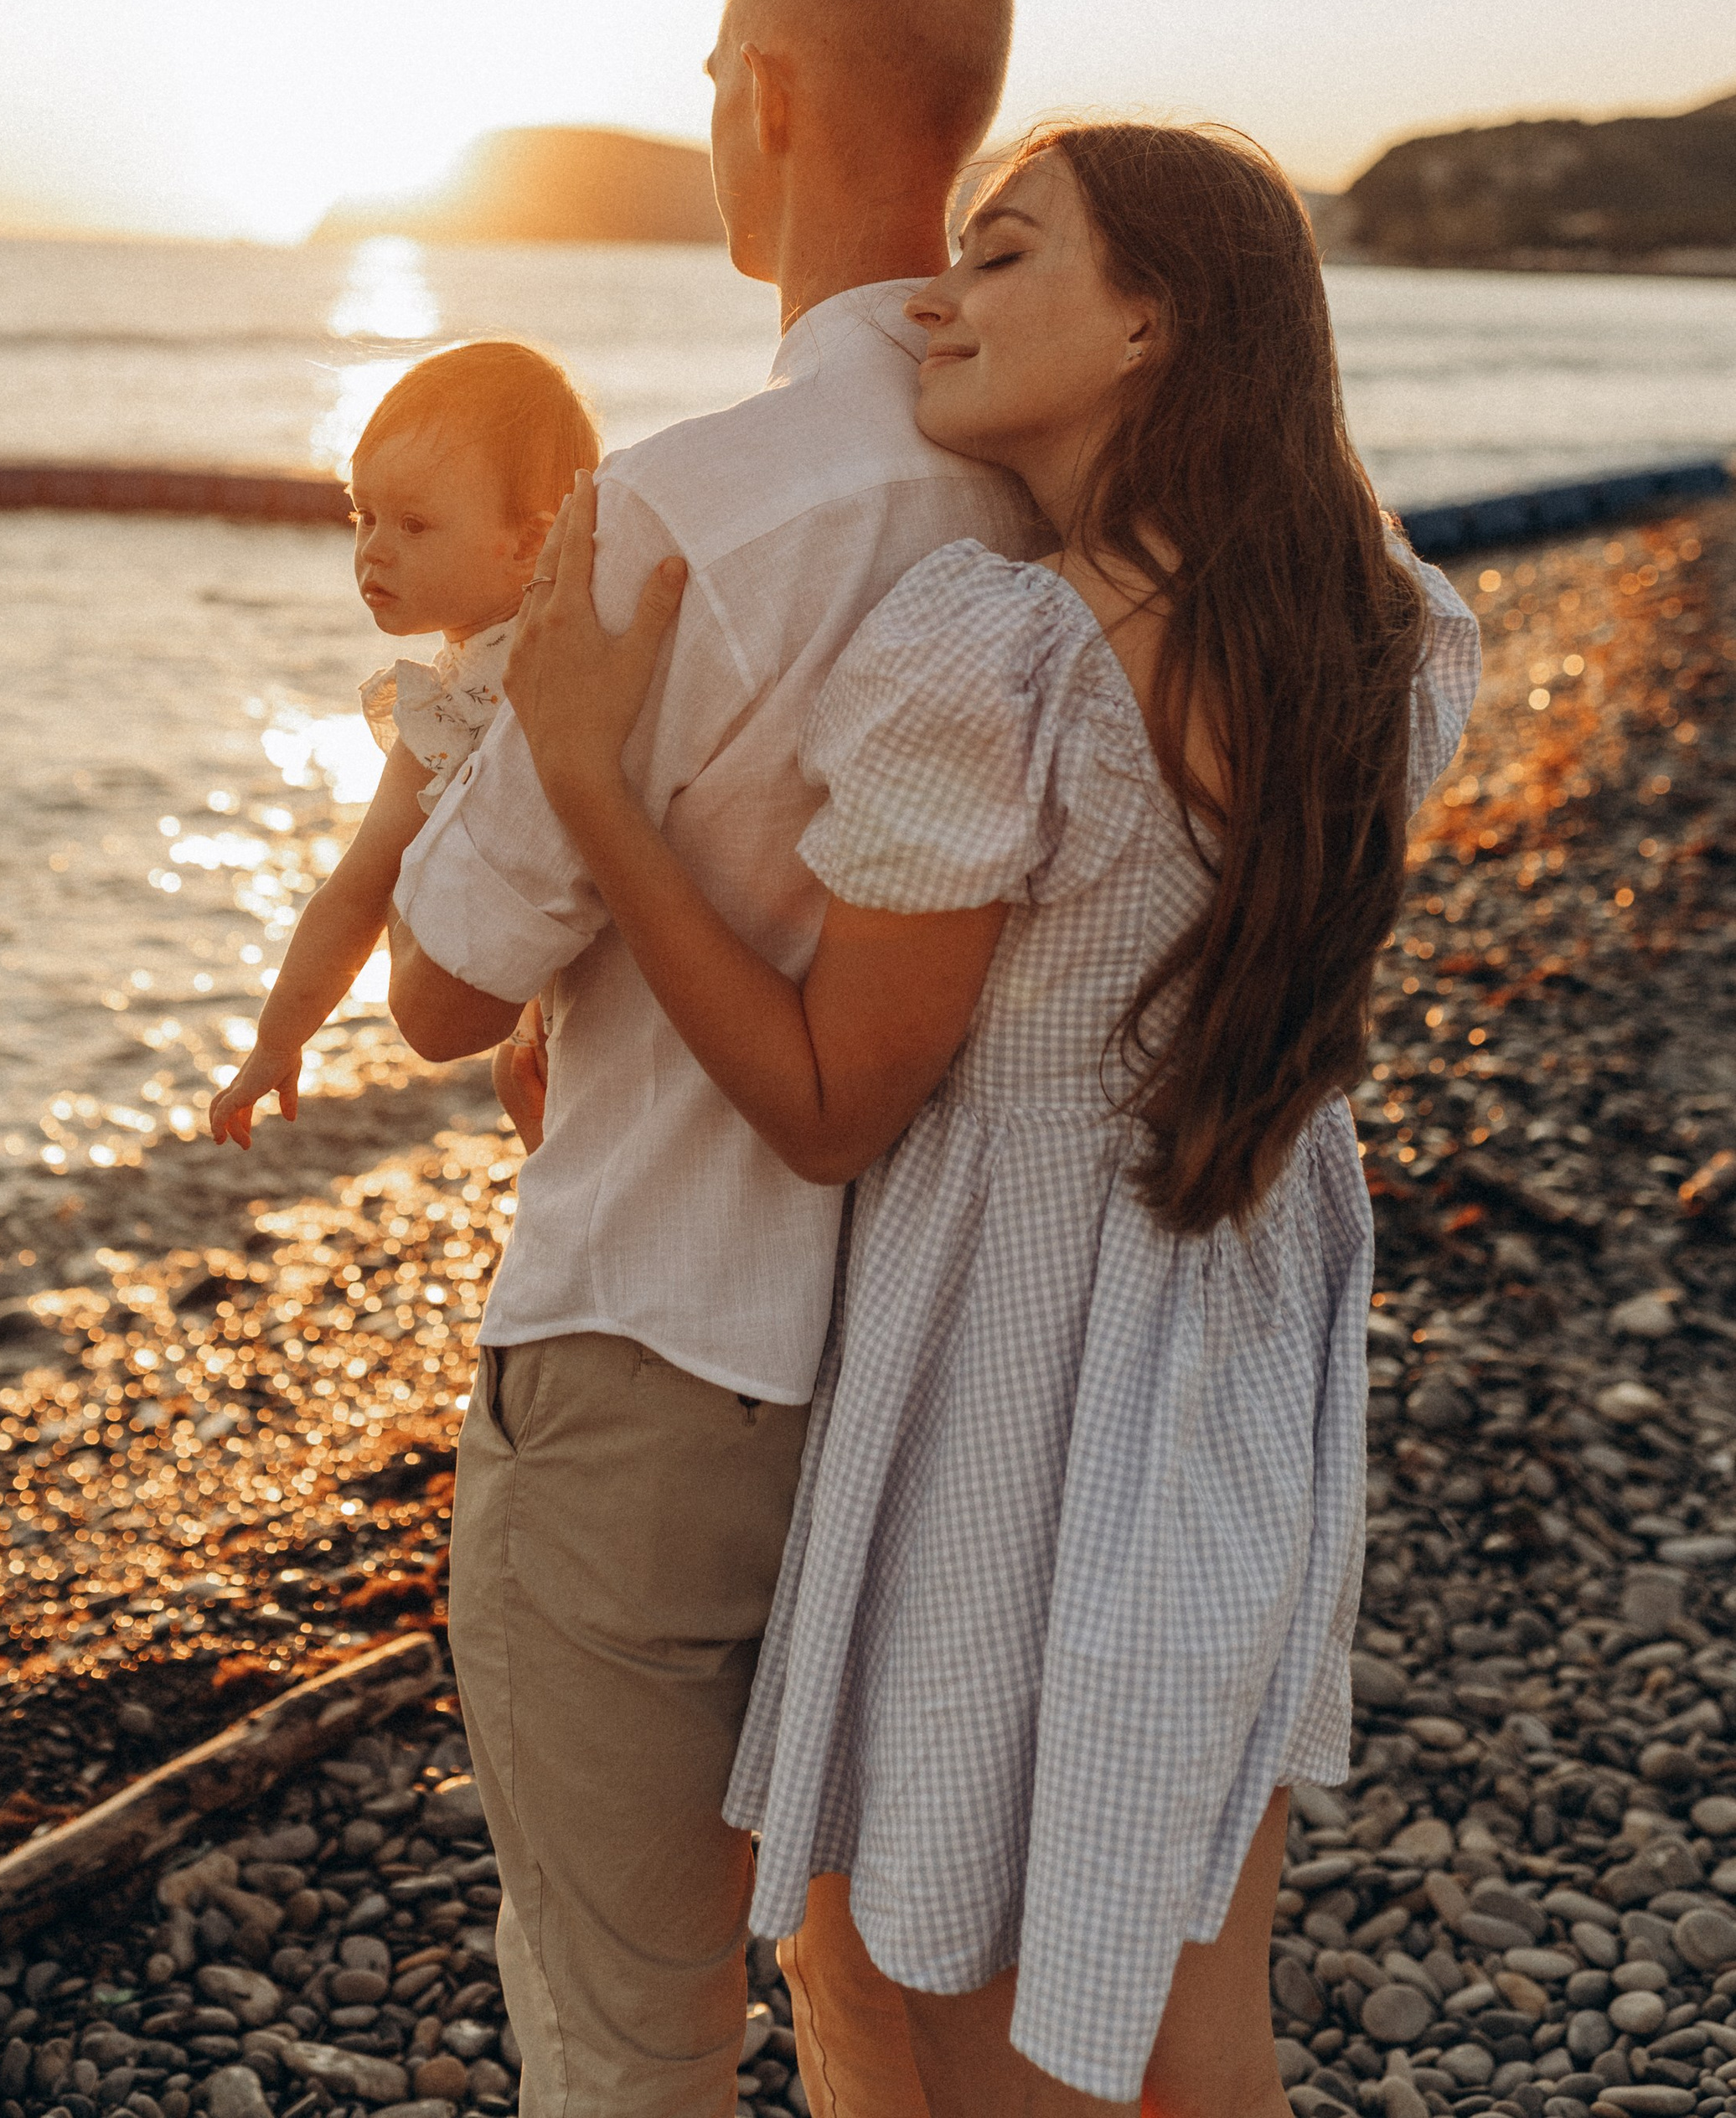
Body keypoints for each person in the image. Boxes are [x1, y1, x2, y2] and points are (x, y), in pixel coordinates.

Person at [500, 120, 1482, 2118]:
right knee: (1185, 1994)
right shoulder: (1374, 629)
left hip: (1020, 1353)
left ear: (1148, 319)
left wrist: (591, 789)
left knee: (970, 2005)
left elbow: (826, 1099)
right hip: (1237, 1337)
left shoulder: (1002, 650)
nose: (934, 298)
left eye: (1003, 253)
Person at [388, 0, 1032, 2118]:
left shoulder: (679, 513)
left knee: (628, 2037)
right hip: (953, 1386)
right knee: (888, 2017)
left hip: (657, 1359)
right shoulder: (1057, 490)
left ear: (763, 98)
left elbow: (450, 987)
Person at [209, 340, 596, 1155]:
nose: (373, 549)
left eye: (414, 523)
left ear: (528, 542)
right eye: (364, 514)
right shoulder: (591, 632)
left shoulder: (461, 703)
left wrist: (277, 1042)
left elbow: (356, 889)